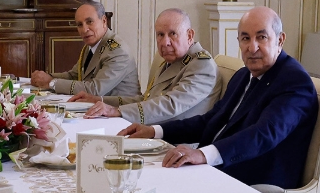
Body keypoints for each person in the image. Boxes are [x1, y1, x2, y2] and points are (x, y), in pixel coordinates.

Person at [122, 6, 317, 190]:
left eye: (262, 37)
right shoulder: (243, 75)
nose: (252, 47)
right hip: (216, 172)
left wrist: (203, 155)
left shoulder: (294, 81)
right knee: (133, 176)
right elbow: (210, 121)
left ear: (280, 40)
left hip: (253, 185)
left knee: (150, 187)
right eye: (245, 38)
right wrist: (155, 131)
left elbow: (263, 134)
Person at [71, 8, 219, 124]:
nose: (165, 42)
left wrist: (118, 111)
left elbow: (170, 104)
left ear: (189, 35)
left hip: (178, 145)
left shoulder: (202, 65)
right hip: (153, 131)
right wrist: (100, 101)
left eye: (173, 34)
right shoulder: (172, 60)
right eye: (160, 35)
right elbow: (147, 100)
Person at [29, 1, 141, 98]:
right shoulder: (93, 45)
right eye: (79, 25)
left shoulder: (117, 51)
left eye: (89, 22)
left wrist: (51, 83)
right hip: (98, 109)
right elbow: (74, 75)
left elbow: (95, 90)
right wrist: (46, 77)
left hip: (121, 115)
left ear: (104, 21)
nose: (84, 29)